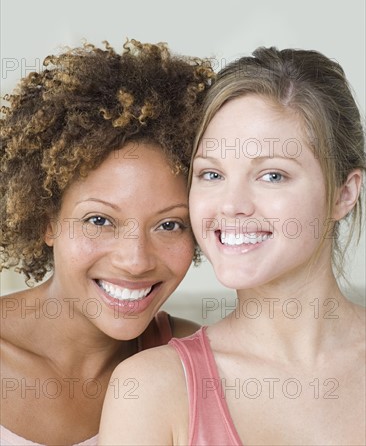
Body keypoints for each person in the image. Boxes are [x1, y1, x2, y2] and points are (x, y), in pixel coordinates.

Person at [99, 47, 365, 446]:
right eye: (211, 173)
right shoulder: (151, 390)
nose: (231, 205)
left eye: (272, 175)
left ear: (345, 194)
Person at [0, 38, 214, 446]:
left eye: (170, 225)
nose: (135, 261)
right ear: (47, 221)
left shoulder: (192, 361)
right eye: (99, 220)